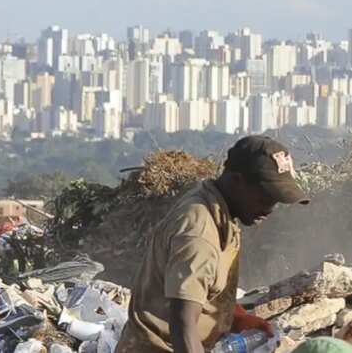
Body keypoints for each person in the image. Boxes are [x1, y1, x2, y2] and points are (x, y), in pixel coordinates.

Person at [115, 135, 310, 353]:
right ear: (237, 181)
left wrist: (235, 317)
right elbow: (183, 326)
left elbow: (202, 290)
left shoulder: (219, 212)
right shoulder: (199, 232)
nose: (269, 209)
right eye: (265, 199)